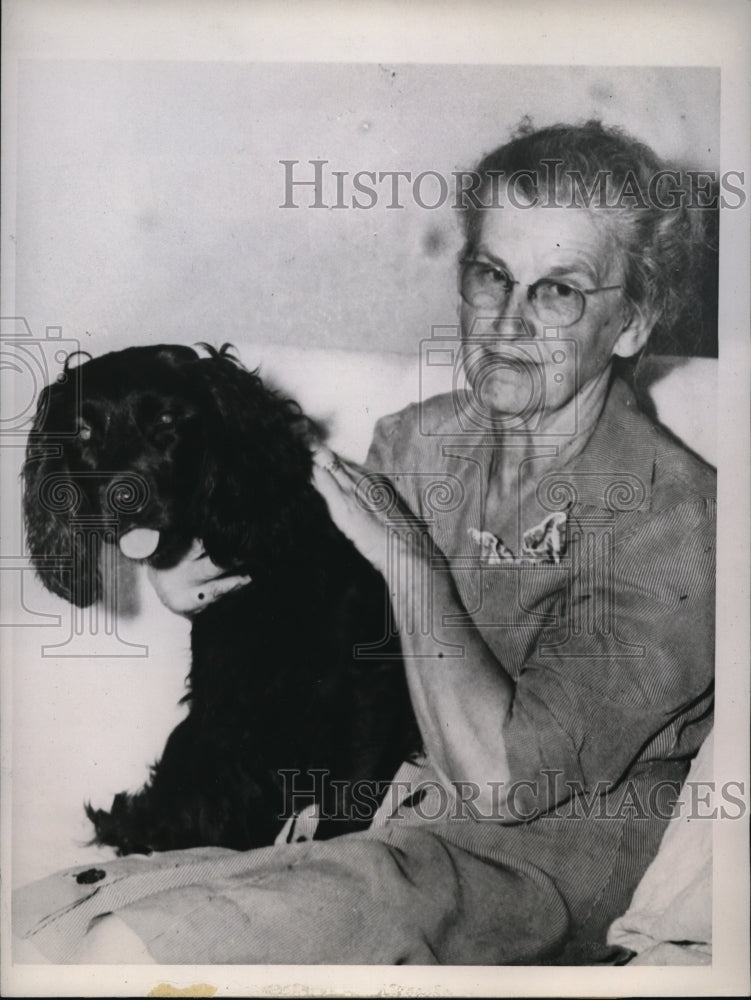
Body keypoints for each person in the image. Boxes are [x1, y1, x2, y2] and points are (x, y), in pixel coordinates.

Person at [13, 120, 715, 965]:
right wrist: (174, 560)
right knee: (45, 928)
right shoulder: (418, 441)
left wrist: (410, 566)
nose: (508, 320)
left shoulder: (674, 519)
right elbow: (273, 523)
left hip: (531, 875)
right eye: (491, 275)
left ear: (632, 323)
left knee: (125, 951)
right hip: (381, 821)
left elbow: (502, 783)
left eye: (558, 290)